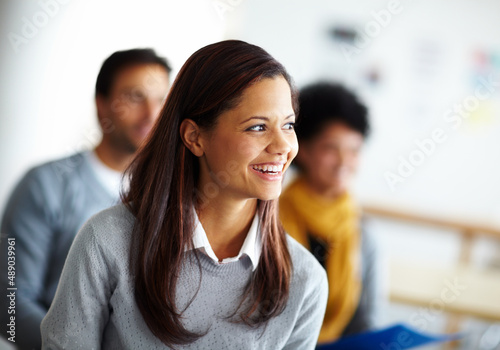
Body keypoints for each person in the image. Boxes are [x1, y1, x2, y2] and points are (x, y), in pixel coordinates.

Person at [40, 40, 328, 349]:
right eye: (257, 127)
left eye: (288, 125)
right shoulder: (107, 241)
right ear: (194, 137)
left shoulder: (305, 279)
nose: (283, 146)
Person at [0, 48, 171, 350]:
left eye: (161, 100)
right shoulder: (46, 185)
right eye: (134, 97)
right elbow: (9, 304)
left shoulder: (176, 196)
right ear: (102, 106)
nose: (151, 114)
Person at [279, 82, 381, 345]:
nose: (344, 161)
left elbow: (367, 319)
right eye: (331, 148)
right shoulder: (270, 218)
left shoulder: (363, 232)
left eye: (354, 150)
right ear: (304, 149)